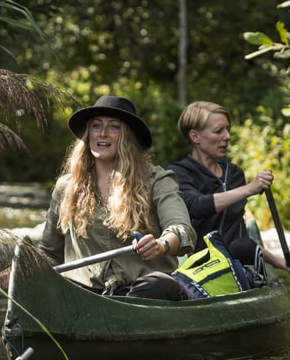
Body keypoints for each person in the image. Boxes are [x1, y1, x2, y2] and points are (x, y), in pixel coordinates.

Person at [38, 95, 197, 300]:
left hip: (139, 294)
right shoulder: (66, 187)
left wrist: (161, 245)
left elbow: (183, 231)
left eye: (114, 127)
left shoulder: (157, 180)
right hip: (82, 294)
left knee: (161, 285)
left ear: (128, 137)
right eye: (96, 126)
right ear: (88, 134)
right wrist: (18, 273)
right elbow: (49, 253)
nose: (103, 133)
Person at [168, 101, 290, 277]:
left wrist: (278, 261)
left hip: (236, 262)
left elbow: (240, 234)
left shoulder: (235, 174)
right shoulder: (179, 172)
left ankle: (253, 281)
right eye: (218, 131)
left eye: (227, 129)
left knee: (243, 246)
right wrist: (249, 189)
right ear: (195, 136)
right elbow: (196, 206)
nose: (227, 136)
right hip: (200, 265)